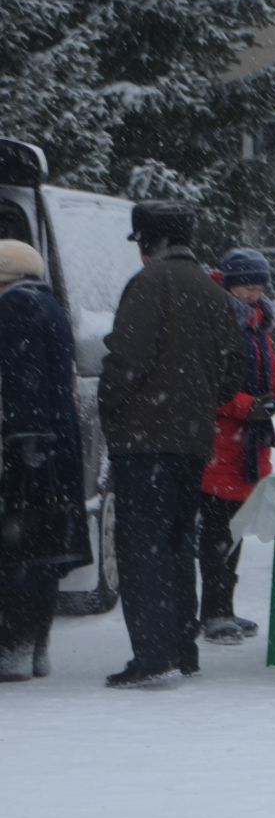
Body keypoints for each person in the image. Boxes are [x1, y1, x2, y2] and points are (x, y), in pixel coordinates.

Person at [97, 202, 244, 688]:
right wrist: (196, 404)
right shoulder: (212, 290)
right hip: (193, 442)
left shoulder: (149, 285)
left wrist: (112, 409)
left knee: (143, 548)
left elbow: (124, 362)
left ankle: (152, 655)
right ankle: (182, 647)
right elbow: (232, 375)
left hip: (145, 441)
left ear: (148, 242)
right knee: (180, 544)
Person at [0, 241, 92, 681]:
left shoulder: (14, 307)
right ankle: (35, 648)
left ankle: (12, 651)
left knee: (16, 550)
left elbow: (23, 380)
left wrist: (24, 442)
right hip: (55, 448)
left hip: (26, 449)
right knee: (40, 550)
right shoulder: (49, 306)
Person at [196, 249, 275, 646]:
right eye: (248, 287)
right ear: (231, 283)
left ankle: (224, 608)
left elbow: (272, 370)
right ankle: (214, 613)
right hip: (220, 444)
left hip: (246, 444)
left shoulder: (257, 323)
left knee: (232, 533)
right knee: (217, 533)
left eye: (259, 288)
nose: (255, 294)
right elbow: (207, 384)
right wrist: (245, 407)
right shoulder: (217, 320)